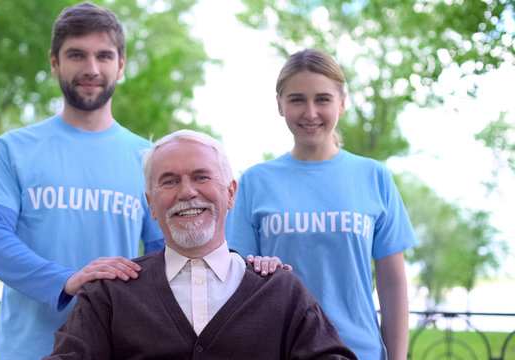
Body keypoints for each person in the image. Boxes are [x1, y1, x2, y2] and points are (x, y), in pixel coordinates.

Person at [44, 129, 357, 359]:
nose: (186, 192)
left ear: (231, 193)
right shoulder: (109, 294)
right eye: (169, 180)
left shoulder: (281, 290)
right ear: (151, 204)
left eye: (201, 177)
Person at [0, 3, 166, 358]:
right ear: (54, 62)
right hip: (27, 350)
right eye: (77, 55)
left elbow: (162, 256)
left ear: (120, 65)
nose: (91, 69)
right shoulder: (14, 148)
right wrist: (64, 280)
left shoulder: (150, 158)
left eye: (104, 56)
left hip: (115, 348)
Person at [227, 49, 418, 360]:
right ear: (280, 105)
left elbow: (393, 284)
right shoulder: (254, 181)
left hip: (359, 352)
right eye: (297, 99)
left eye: (323, 99)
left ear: (342, 102)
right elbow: (239, 282)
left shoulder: (374, 176)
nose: (310, 112)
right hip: (279, 351)